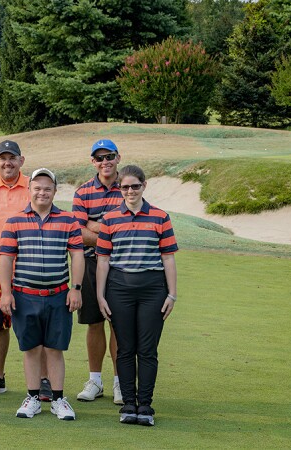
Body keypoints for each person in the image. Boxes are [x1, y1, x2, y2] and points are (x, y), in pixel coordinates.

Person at [0, 168, 84, 421]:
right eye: (37, 188)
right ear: (29, 190)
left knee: (55, 349)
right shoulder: (14, 221)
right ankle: (33, 398)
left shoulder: (68, 220)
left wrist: (76, 288)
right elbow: (6, 258)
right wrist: (6, 292)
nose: (42, 193)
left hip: (58, 295)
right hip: (25, 295)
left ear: (55, 191)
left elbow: (77, 256)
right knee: (32, 348)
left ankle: (58, 399)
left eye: (47, 188)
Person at [95, 164, 178, 427]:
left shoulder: (160, 217)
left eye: (135, 186)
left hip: (153, 288)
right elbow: (103, 260)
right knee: (125, 349)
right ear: (119, 189)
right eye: (125, 187)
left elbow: (168, 258)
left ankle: (146, 405)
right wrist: (100, 296)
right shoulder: (110, 219)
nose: (130, 191)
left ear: (144, 185)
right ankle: (129, 404)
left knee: (147, 350)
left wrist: (172, 295)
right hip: (119, 288)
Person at [0, 140, 51, 400]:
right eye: (3, 158)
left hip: (29, 270)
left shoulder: (32, 187)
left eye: (12, 158)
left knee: (37, 327)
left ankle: (44, 379)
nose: (8, 163)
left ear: (21, 161)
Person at [71, 139, 124, 405]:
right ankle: (95, 381)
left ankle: (120, 382)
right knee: (94, 322)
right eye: (99, 158)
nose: (105, 162)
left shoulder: (128, 186)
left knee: (117, 323)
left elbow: (131, 226)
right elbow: (78, 233)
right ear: (93, 162)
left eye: (109, 156)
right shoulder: (83, 192)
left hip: (121, 266)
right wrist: (109, 232)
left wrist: (95, 225)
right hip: (91, 264)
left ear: (118, 157)